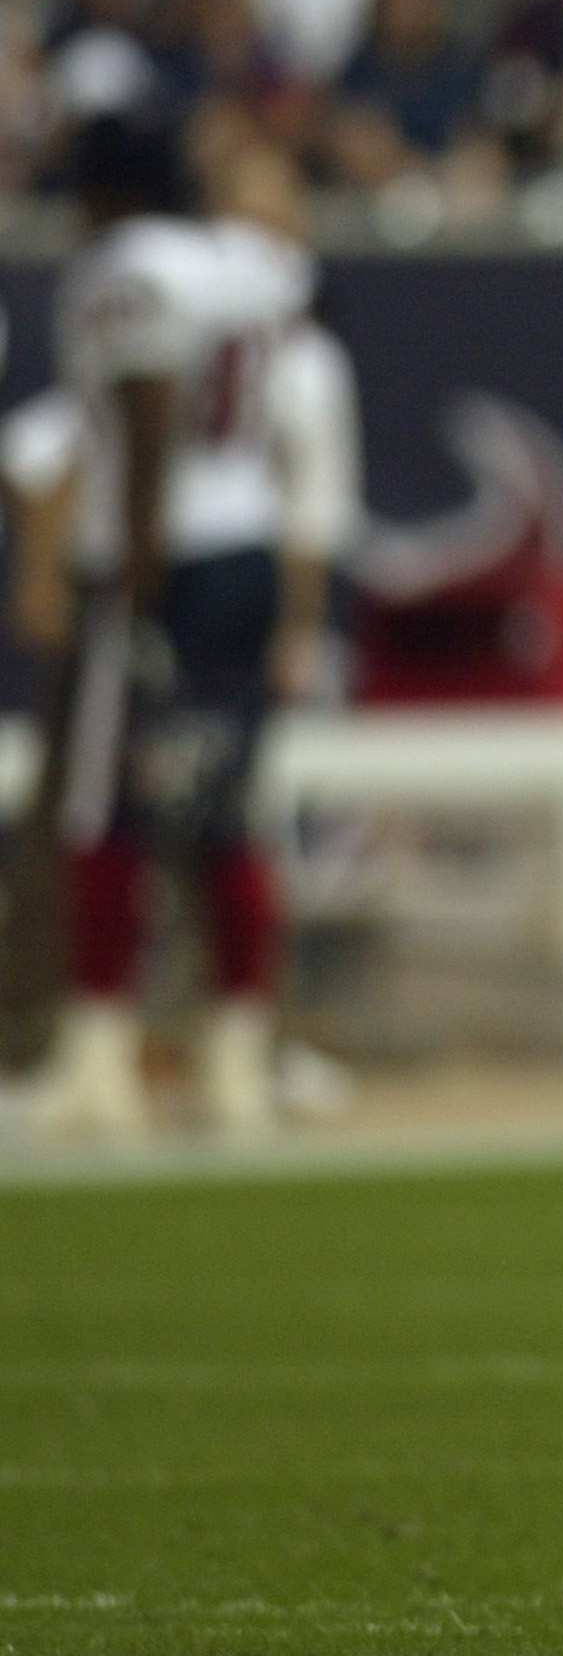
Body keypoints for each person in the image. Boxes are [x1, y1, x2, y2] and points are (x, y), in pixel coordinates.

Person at [25, 115, 319, 1142]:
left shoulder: (129, 269)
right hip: (247, 543)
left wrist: (138, 586)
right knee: (227, 807)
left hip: (167, 556)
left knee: (105, 810)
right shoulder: (247, 263)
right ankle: (235, 1058)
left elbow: (149, 418)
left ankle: (99, 1059)